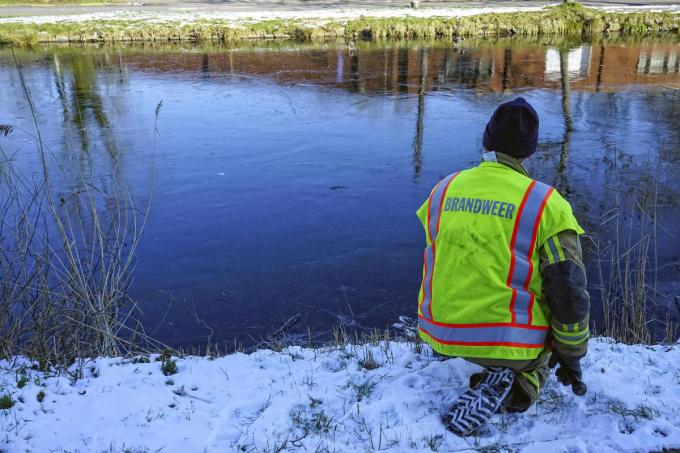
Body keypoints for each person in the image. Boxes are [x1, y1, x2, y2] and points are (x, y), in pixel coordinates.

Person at [415, 97, 590, 435]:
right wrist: (571, 353)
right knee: (544, 356)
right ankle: (520, 386)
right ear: (531, 150)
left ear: (486, 140)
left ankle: (460, 353)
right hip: (509, 345)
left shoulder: (444, 188)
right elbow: (568, 289)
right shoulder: (546, 204)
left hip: (437, 332)